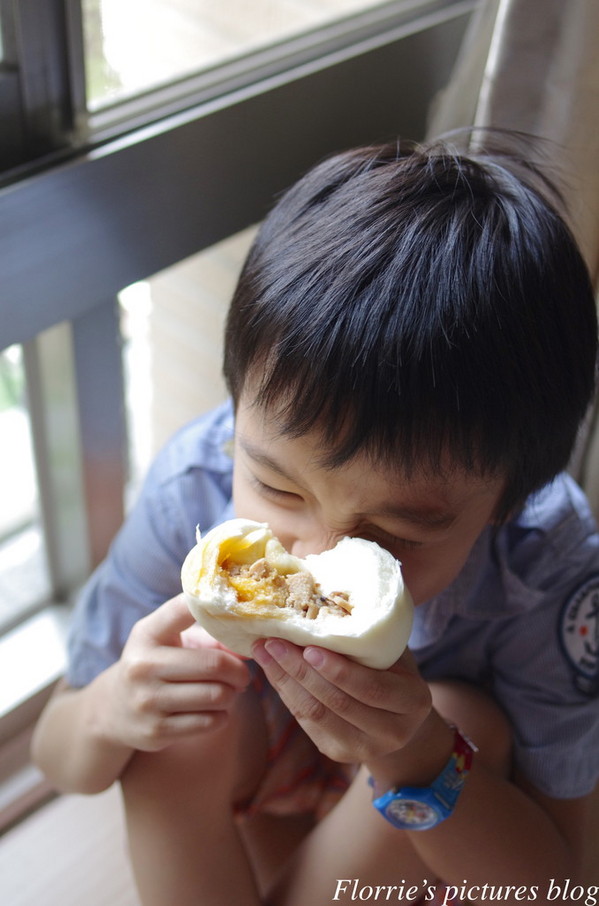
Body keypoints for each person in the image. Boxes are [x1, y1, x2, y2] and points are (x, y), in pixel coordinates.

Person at [32, 136, 599, 906]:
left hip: (409, 836)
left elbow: (561, 885)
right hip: (253, 777)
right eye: (274, 486)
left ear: (507, 502)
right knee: (176, 707)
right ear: (236, 418)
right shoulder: (193, 485)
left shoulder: (546, 564)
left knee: (466, 719)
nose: (320, 554)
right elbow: (60, 755)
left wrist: (416, 751)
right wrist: (115, 707)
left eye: (395, 534)